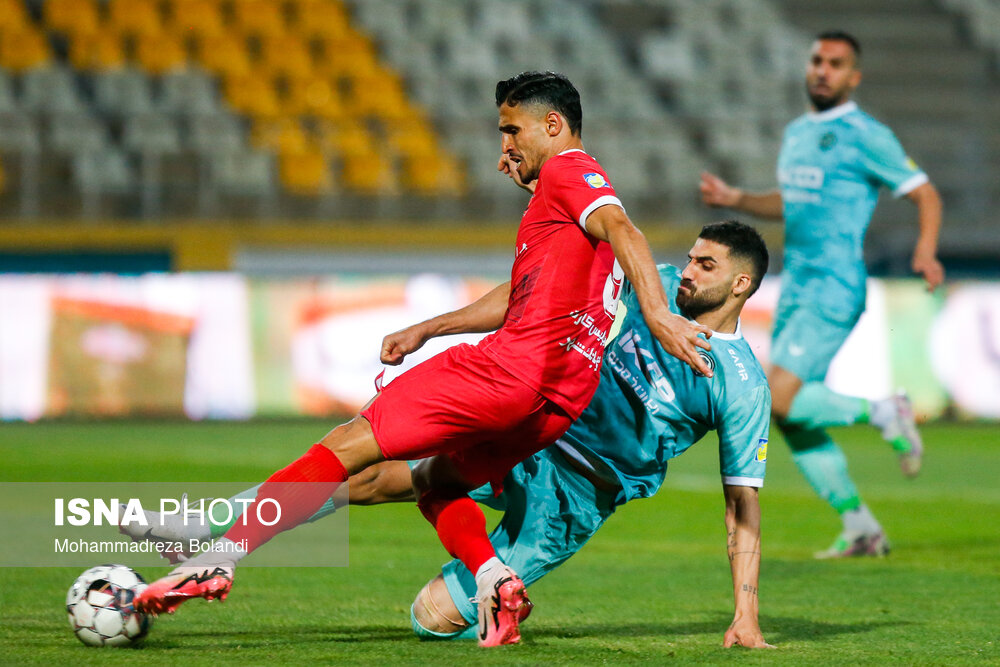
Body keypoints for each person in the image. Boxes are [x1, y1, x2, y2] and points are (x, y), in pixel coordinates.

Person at [135, 71, 714, 647]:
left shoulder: (572, 172)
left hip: (506, 372)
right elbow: (524, 293)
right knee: (432, 483)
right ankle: (494, 580)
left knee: (347, 445)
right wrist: (429, 328)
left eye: (512, 130)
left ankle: (217, 555)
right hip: (555, 406)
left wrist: (659, 315)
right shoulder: (563, 204)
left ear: (553, 124)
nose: (504, 145)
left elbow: (625, 227)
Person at [123, 221, 774, 649]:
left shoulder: (740, 382)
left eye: (705, 265)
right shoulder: (647, 284)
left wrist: (744, 613)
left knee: (430, 618)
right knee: (365, 471)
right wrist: (434, 327)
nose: (686, 271)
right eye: (691, 258)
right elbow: (532, 296)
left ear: (740, 284)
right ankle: (208, 528)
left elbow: (741, 503)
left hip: (576, 498)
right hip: (531, 432)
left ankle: (495, 587)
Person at [699, 31, 945, 558]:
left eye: (835, 63)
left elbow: (924, 193)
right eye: (817, 60)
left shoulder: (866, 135)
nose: (822, 70)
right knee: (789, 415)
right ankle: (860, 527)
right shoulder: (797, 133)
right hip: (797, 284)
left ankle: (885, 410)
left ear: (853, 77)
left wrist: (925, 252)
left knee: (777, 398)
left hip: (834, 284)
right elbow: (793, 201)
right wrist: (736, 197)